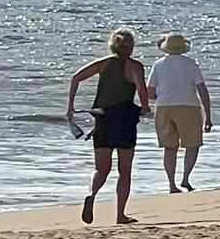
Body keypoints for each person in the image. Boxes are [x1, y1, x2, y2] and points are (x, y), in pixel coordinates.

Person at [64, 28, 149, 224]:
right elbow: (141, 90)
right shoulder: (135, 66)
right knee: (124, 170)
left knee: (101, 169)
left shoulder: (103, 64)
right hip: (125, 119)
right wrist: (145, 108)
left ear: (112, 45)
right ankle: (120, 215)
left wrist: (71, 107)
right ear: (131, 47)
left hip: (102, 118)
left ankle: (91, 194)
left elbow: (76, 77)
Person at [148, 33, 212, 194]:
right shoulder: (190, 64)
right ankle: (185, 178)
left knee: (170, 148)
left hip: (164, 107)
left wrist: (159, 98)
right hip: (188, 106)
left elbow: (149, 91)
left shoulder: (158, 64)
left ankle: (171, 184)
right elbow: (202, 89)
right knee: (192, 145)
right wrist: (208, 116)